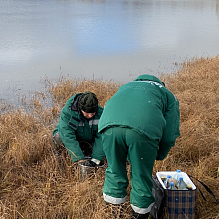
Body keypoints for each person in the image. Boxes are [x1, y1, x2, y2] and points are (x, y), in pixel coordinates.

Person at [98, 74, 180, 219]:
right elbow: (169, 135)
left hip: (108, 127)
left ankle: (114, 214)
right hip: (142, 131)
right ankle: (139, 216)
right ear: (161, 84)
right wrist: (158, 154)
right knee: (141, 176)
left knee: (114, 171)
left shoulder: (125, 86)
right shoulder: (168, 95)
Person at [52, 91, 105, 168]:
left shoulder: (101, 113)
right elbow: (68, 136)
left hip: (89, 139)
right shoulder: (68, 112)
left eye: (93, 113)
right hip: (74, 138)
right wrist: (79, 159)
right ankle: (59, 154)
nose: (90, 116)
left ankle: (87, 151)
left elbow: (101, 136)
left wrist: (96, 159)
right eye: (87, 113)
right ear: (80, 109)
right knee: (58, 136)